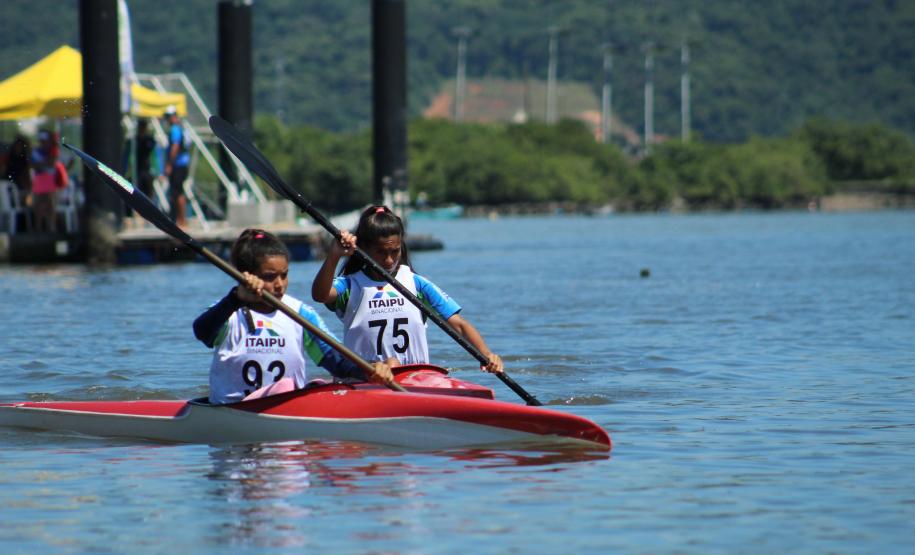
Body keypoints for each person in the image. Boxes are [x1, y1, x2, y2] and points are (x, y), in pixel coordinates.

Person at [193, 228, 396, 405]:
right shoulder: (229, 312)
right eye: (270, 277)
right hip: (235, 412)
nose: (280, 284)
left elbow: (336, 360)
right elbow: (202, 332)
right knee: (287, 387)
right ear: (248, 276)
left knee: (315, 387)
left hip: (287, 408)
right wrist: (236, 298)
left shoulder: (300, 314)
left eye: (284, 274)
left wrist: (370, 370)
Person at [311, 205, 504, 373]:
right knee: (392, 365)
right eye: (381, 252)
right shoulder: (350, 285)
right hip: (368, 378)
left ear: (401, 247)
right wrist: (335, 255)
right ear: (364, 250)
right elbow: (320, 295)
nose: (389, 260)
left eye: (394, 252)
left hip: (415, 377)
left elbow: (460, 325)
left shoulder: (416, 284)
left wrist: (487, 354)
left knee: (395, 365)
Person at [163, 105, 189, 227]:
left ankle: (181, 221)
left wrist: (169, 164)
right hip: (182, 164)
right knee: (178, 192)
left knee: (177, 192)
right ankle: (181, 220)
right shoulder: (181, 128)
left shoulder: (175, 129)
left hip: (178, 165)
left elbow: (175, 146)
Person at [30, 129, 60, 232]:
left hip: (49, 179)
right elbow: (34, 165)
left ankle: (51, 226)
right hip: (39, 179)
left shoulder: (52, 150)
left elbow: (51, 163)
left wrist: (43, 164)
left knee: (50, 203)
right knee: (38, 203)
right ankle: (38, 227)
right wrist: (45, 163)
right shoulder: (36, 151)